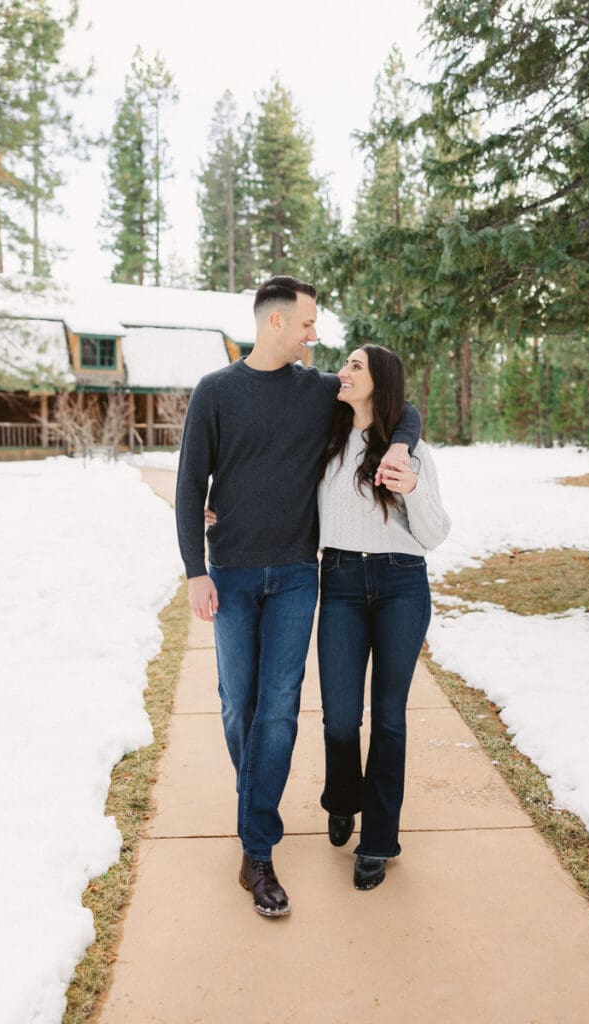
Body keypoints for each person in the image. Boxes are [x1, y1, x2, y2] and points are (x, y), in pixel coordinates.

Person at [175, 277, 421, 917]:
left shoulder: (319, 392)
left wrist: (402, 445)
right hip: (228, 574)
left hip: (293, 576)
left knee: (279, 709)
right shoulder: (215, 392)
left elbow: (402, 406)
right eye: (309, 323)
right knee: (239, 708)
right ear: (277, 323)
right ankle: (257, 802)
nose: (316, 335)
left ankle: (258, 851)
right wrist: (194, 570)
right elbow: (186, 486)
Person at [316, 344, 451, 891]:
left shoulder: (411, 450)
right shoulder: (326, 439)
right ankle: (344, 798)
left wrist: (413, 487)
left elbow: (436, 533)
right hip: (342, 582)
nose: (343, 372)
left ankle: (378, 839)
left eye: (355, 366)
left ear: (381, 382)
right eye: (345, 364)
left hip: (401, 582)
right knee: (340, 717)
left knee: (389, 717)